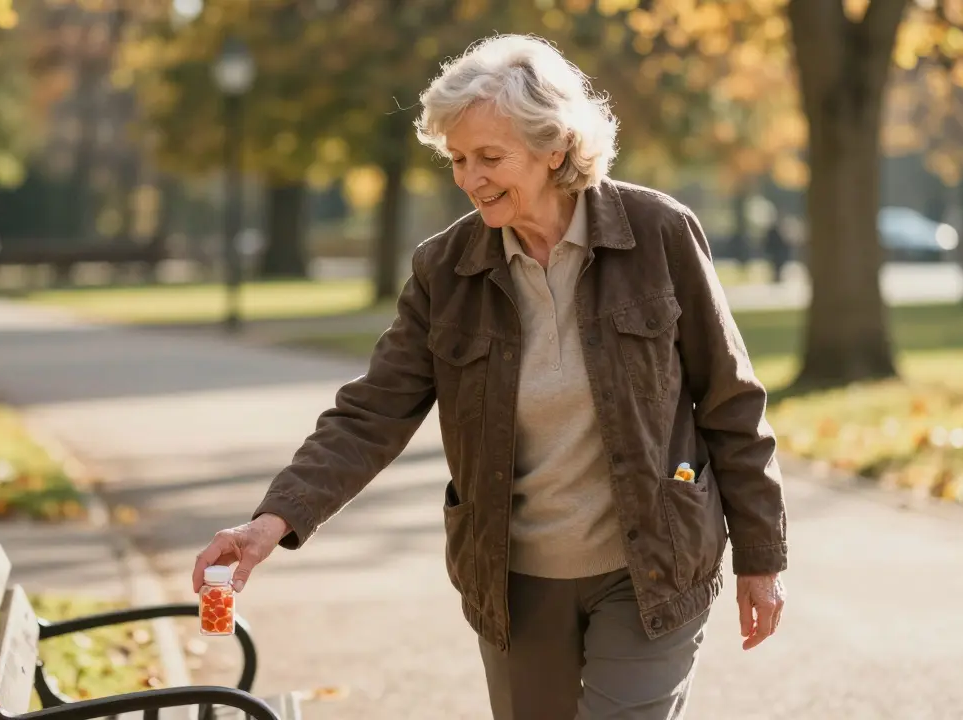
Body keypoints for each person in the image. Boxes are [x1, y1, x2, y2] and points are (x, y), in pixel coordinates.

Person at [193, 34, 788, 719]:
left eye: (490, 158)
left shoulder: (658, 234)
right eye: (457, 160)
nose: (470, 178)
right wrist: (272, 521)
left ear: (555, 148)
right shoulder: (445, 271)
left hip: (653, 565)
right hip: (516, 578)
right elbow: (370, 414)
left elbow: (730, 401)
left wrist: (760, 555)